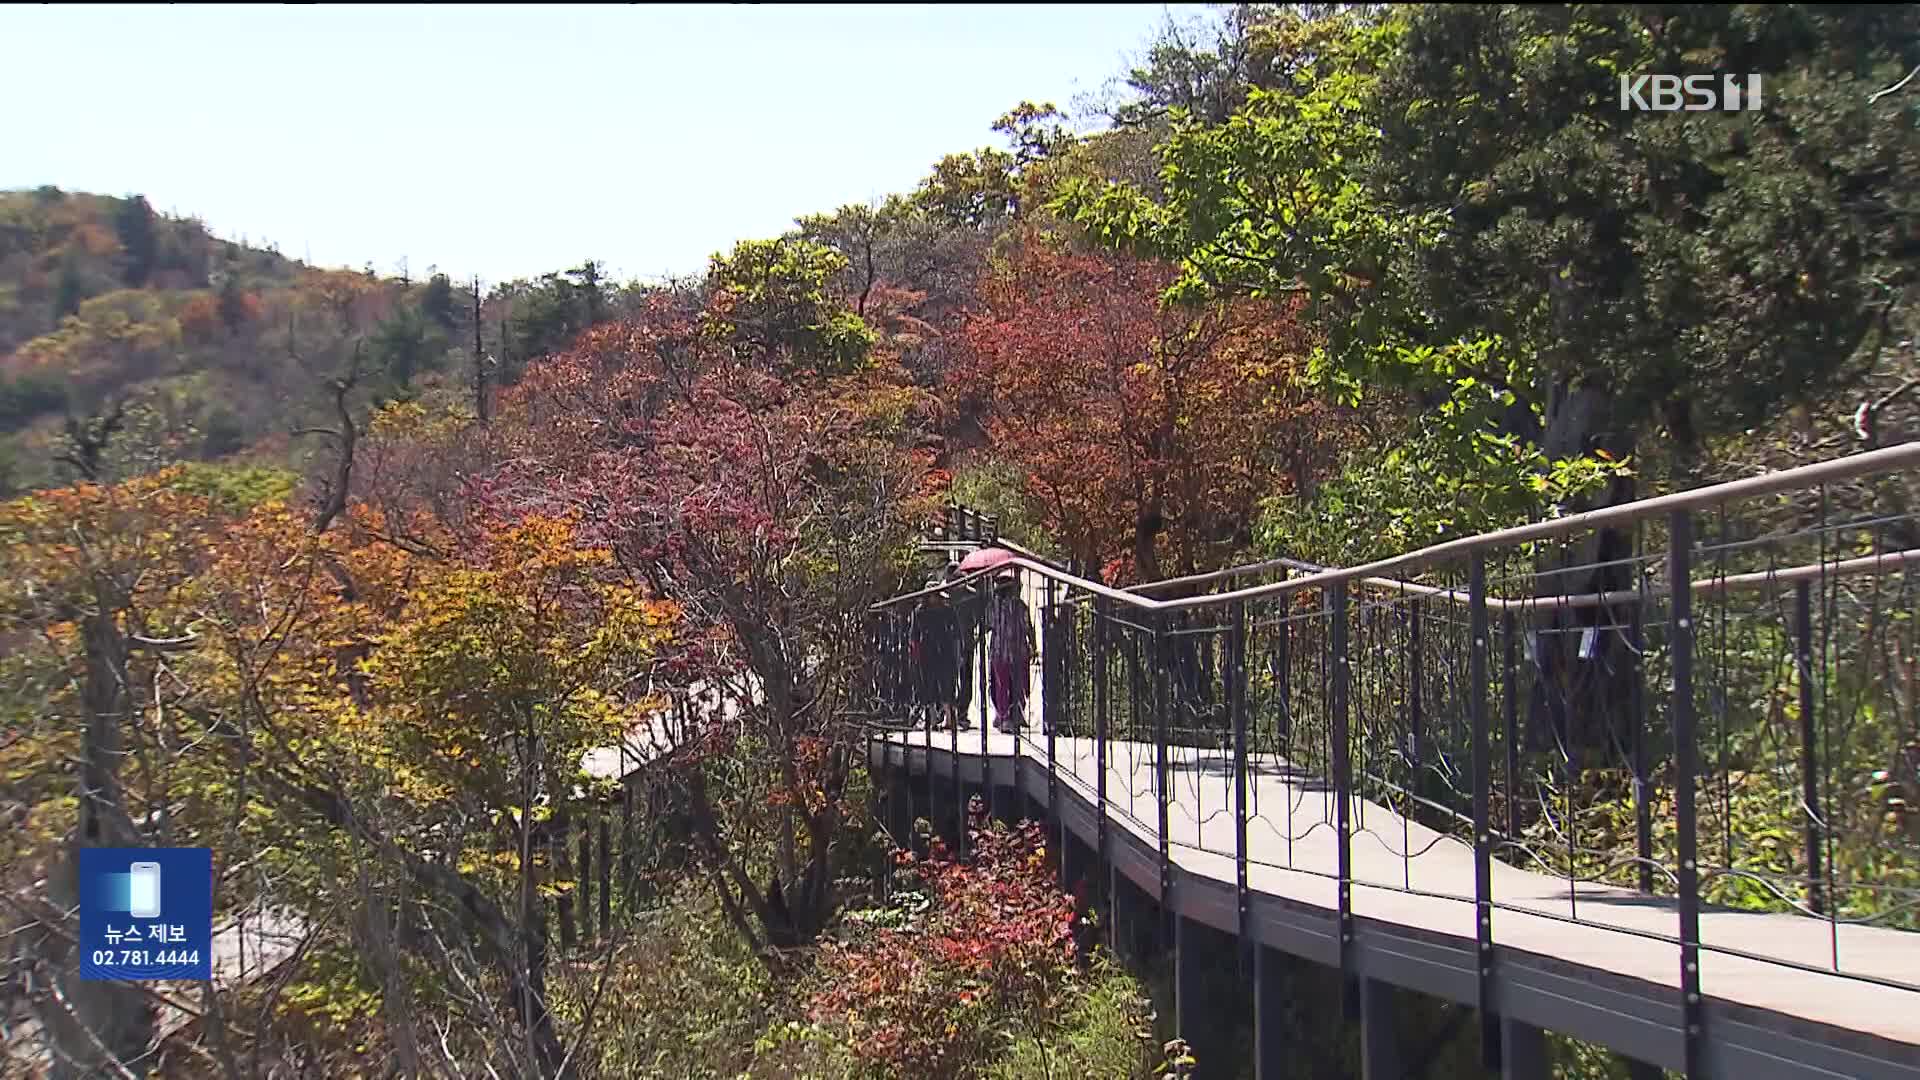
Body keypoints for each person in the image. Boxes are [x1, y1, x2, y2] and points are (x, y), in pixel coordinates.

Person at [988, 569, 1036, 735]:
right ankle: (1009, 715)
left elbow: (989, 624)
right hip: (1010, 650)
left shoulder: (996, 606)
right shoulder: (1016, 605)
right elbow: (1029, 627)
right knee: (1013, 684)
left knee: (1004, 684)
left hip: (1003, 651)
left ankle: (1007, 715)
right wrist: (1033, 645)